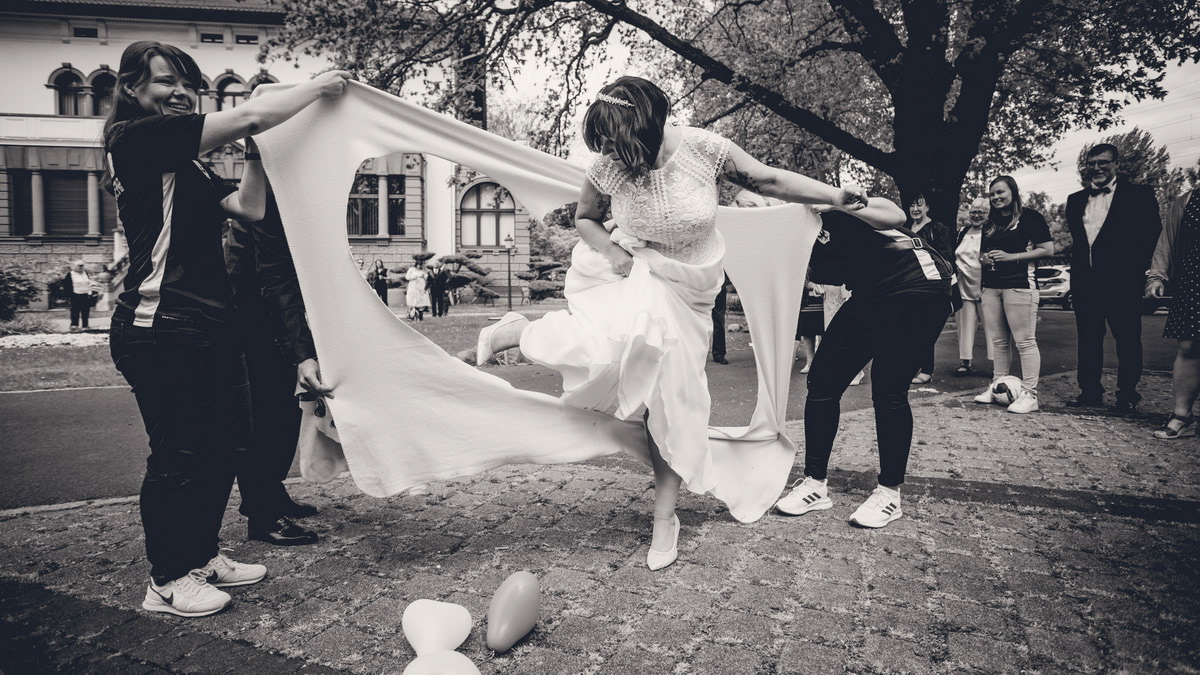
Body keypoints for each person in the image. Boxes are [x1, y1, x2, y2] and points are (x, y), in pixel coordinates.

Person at [474, 76, 878, 569]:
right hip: (634, 270)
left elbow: (768, 180)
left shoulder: (704, 149)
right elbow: (585, 217)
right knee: (593, 352)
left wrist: (834, 195)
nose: (610, 155)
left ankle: (664, 517)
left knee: (672, 400)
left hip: (691, 288)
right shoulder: (607, 166)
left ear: (648, 125)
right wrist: (612, 251)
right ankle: (518, 331)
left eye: (617, 144)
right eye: (603, 146)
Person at [103, 40, 348, 617]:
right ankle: (167, 579)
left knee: (223, 444)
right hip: (160, 323)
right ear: (133, 88)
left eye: (189, 84)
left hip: (208, 324)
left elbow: (248, 206)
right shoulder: (135, 138)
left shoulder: (186, 162)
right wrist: (316, 88)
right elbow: (251, 114)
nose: (181, 92)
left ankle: (200, 557)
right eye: (166, 81)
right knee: (179, 454)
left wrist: (258, 151)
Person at [775, 204, 955, 528]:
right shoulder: (784, 242)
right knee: (822, 381)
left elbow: (895, 213)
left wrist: (836, 201)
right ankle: (815, 484)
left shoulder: (825, 209)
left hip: (919, 286)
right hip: (872, 291)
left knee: (889, 389)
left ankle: (889, 494)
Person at [225, 190, 333, 546]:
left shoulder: (292, 193)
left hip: (268, 316)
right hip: (250, 320)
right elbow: (276, 277)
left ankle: (272, 493)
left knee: (284, 414)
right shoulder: (273, 197)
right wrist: (302, 353)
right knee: (264, 419)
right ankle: (262, 514)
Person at [1065, 143, 1163, 412]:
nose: (1097, 167)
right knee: (1088, 340)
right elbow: (1080, 245)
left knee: (1128, 340)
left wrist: (1143, 275)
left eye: (1103, 162)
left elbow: (1152, 237)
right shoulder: (1075, 200)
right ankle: (1089, 392)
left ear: (1116, 164)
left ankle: (1127, 394)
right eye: (1092, 163)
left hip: (1123, 284)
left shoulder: (1139, 195)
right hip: (1086, 284)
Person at [971, 176, 1054, 414]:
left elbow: (1048, 249)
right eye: (992, 194)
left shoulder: (1031, 217)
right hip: (991, 286)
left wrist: (1011, 257)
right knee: (998, 342)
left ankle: (1030, 394)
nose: (996, 197)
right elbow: (982, 254)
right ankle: (997, 386)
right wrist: (985, 259)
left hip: (1020, 285)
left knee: (1025, 341)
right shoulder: (989, 222)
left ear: (1013, 192)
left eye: (1001, 192)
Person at [1146, 188, 1200, 438]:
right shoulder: (1188, 200)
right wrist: (1156, 276)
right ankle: (1182, 416)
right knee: (1189, 345)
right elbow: (1166, 240)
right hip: (1193, 280)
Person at [905, 194, 954, 384]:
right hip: (909, 283)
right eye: (912, 205)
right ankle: (910, 367)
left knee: (924, 328)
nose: (915, 209)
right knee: (909, 328)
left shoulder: (938, 229)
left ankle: (926, 370)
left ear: (927, 207)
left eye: (919, 205)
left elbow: (945, 257)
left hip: (930, 284)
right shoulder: (905, 228)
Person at [954, 198, 994, 375]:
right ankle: (966, 362)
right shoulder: (962, 232)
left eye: (981, 212)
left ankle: (997, 365)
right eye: (973, 212)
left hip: (985, 286)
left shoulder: (991, 232)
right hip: (963, 285)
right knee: (964, 325)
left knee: (993, 327)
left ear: (988, 215)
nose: (976, 216)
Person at [796, 278, 823, 373]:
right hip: (806, 296)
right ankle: (810, 362)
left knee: (825, 329)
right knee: (807, 330)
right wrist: (810, 284)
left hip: (825, 294)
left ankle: (825, 360)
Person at [64, 260, 97, 332]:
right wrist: (69, 296)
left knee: (85, 310)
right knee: (75, 311)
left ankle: (85, 325)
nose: (81, 267)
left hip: (86, 294)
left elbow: (90, 283)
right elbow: (67, 286)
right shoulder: (70, 274)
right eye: (79, 266)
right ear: (74, 266)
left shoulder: (85, 273)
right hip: (75, 295)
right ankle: (74, 326)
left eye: (82, 265)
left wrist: (92, 291)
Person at [711, 274, 730, 364]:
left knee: (719, 318)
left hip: (718, 282)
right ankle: (718, 353)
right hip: (705, 280)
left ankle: (718, 353)